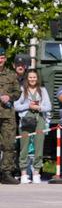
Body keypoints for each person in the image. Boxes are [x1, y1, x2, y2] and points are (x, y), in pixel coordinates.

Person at [14, 69, 51, 184]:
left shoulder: (43, 90)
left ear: (37, 78)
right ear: (27, 78)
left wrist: (39, 107)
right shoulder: (22, 90)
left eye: (34, 77)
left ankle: (36, 172)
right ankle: (24, 173)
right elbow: (16, 106)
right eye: (30, 77)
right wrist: (28, 105)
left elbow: (48, 106)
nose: (32, 79)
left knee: (39, 146)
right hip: (26, 119)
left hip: (39, 118)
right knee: (24, 146)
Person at [0, 48, 20, 184]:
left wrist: (10, 96)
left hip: (7, 115)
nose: (0, 60)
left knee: (9, 144)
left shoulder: (11, 75)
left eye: (1, 57)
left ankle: (6, 173)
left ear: (5, 59)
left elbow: (18, 92)